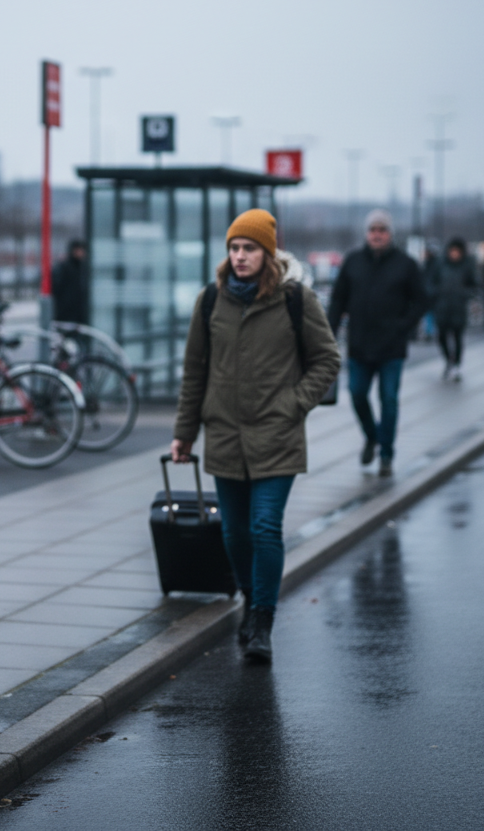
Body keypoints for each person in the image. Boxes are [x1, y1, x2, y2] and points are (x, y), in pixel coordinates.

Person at [171, 209, 340, 664]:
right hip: (224, 435)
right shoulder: (211, 300)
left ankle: (262, 618)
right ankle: (250, 599)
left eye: (249, 248)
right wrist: (184, 433)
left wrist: (293, 403)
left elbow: (327, 360)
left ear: (268, 253)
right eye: (234, 248)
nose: (240, 256)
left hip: (277, 435)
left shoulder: (295, 300)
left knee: (265, 528)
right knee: (234, 535)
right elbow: (195, 372)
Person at [327, 209, 428, 479]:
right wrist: (329, 333)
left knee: (389, 400)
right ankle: (372, 436)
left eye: (382, 230)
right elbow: (338, 300)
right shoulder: (353, 261)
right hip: (359, 344)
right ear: (366, 234)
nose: (377, 235)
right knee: (357, 393)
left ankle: (386, 454)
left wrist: (403, 327)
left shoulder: (405, 264)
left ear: (390, 234)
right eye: (373, 230)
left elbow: (421, 300)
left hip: (391, 347)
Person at [428, 237, 478, 381]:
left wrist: (464, 294)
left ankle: (456, 364)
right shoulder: (440, 264)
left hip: (458, 307)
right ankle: (448, 361)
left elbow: (474, 285)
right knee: (442, 337)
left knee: (457, 338)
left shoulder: (467, 266)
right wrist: (436, 292)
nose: (454, 254)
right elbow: (431, 282)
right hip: (442, 307)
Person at [52, 240, 89, 325]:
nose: (81, 253)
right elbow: (56, 286)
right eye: (79, 250)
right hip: (66, 312)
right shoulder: (64, 267)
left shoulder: (84, 267)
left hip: (79, 312)